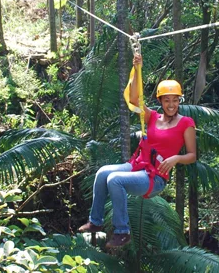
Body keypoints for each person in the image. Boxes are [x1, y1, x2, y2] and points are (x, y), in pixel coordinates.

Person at [78, 53, 197, 248]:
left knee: (115, 180)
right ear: (161, 101)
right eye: (167, 100)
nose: (171, 105)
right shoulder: (152, 117)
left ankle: (122, 232)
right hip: (137, 166)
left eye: (175, 100)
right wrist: (137, 69)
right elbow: (133, 99)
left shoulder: (186, 123)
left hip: (155, 177)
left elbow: (192, 155)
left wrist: (176, 158)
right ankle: (95, 221)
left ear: (179, 101)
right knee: (102, 173)